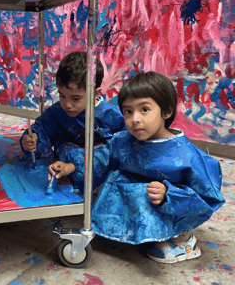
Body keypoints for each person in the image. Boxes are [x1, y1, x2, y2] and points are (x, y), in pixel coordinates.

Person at [91, 71, 225, 263]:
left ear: (166, 111)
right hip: (137, 198)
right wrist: (72, 166)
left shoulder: (187, 156)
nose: (135, 118)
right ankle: (141, 229)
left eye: (144, 109)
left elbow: (207, 197)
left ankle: (183, 239)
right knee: (116, 178)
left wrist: (169, 193)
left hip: (166, 205)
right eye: (128, 111)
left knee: (147, 191)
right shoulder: (123, 140)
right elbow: (103, 158)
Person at [21, 51, 126, 193]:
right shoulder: (57, 112)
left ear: (96, 93)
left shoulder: (113, 116)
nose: (67, 104)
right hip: (62, 173)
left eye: (75, 98)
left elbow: (122, 150)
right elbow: (42, 130)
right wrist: (31, 141)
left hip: (100, 177)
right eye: (62, 95)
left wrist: (75, 164)